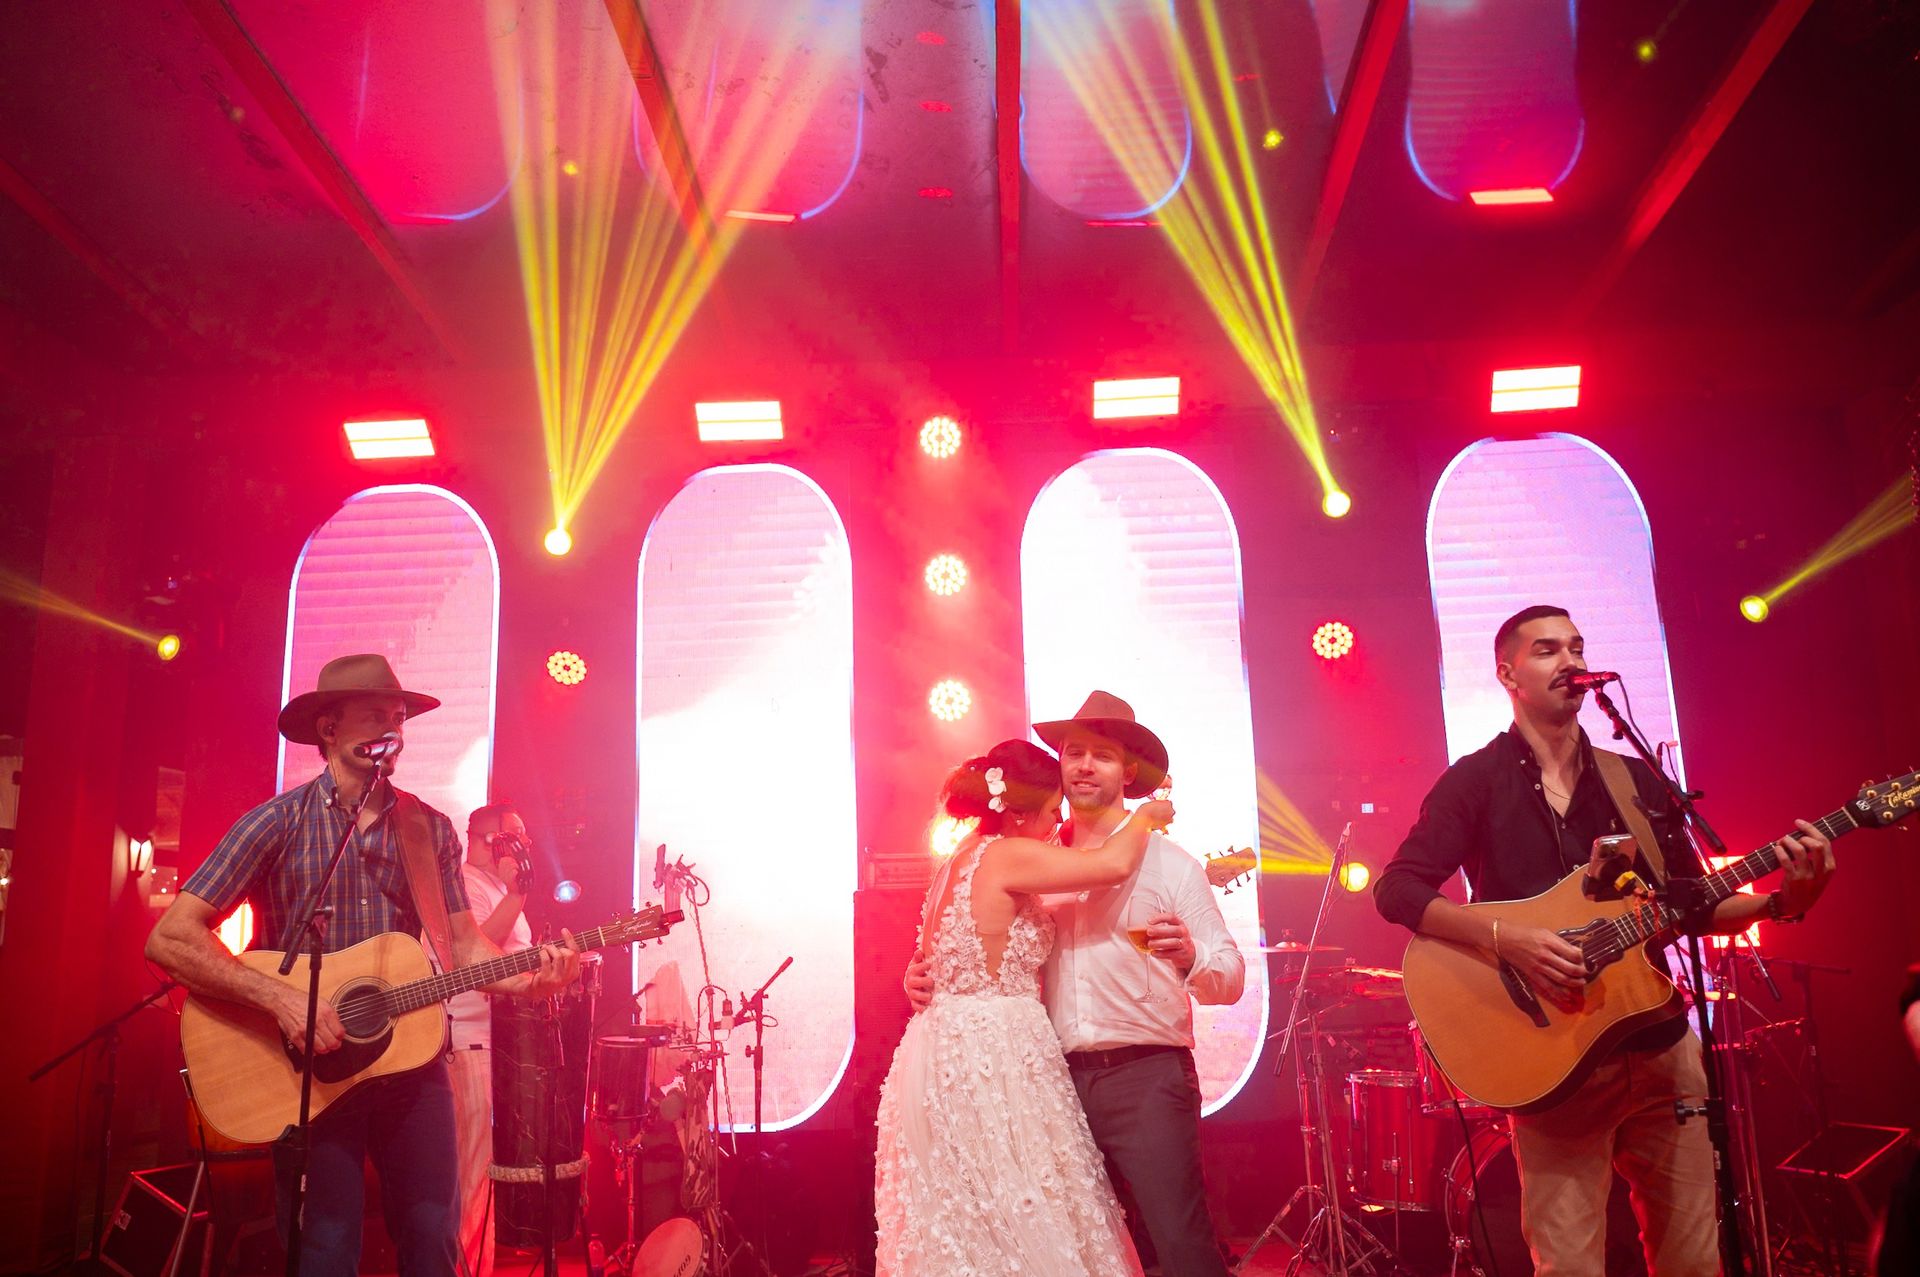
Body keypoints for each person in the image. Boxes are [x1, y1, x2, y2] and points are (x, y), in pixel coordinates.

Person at [1373, 606, 1836, 1276]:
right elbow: (1399, 889)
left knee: (1693, 1260)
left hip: (1659, 1046)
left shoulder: (1634, 778)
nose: (1569, 660)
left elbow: (1688, 901)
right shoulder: (1476, 780)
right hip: (1555, 1064)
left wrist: (1783, 900)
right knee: (1570, 1265)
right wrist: (1508, 939)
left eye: (1576, 646)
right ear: (1508, 672)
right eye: (1546, 649)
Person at [145, 654, 580, 1277]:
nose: (393, 730)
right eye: (376, 715)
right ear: (328, 729)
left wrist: (535, 978)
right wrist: (281, 1000)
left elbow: (464, 950)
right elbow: (170, 938)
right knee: (325, 1250)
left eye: (399, 718)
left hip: (413, 1065)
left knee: (434, 1240)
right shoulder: (277, 822)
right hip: (310, 1078)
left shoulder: (428, 829)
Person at [905, 692, 1245, 1277]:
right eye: (1074, 753)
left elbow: (1230, 980)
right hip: (1046, 1082)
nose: (1084, 765)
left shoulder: (1172, 866)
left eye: (1102, 756)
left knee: (1180, 1245)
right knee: (1070, 1252)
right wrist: (922, 973)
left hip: (1145, 1079)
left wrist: (1190, 956)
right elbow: (971, 938)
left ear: (1128, 773)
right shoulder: (1029, 858)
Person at [876, 737, 1171, 1277]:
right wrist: (1148, 815)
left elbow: (936, 955)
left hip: (938, 1049)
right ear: (1017, 813)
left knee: (970, 1213)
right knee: (1024, 1203)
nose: (1057, 824)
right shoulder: (1007, 852)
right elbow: (1110, 863)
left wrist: (916, 978)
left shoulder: (953, 863)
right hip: (996, 1051)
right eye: (1052, 811)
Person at [445, 801, 538, 1277]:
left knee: (484, 1174)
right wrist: (517, 897)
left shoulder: (495, 888)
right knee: (473, 1174)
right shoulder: (464, 885)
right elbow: (479, 963)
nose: (526, 844)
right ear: (490, 841)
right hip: (469, 1043)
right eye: (517, 835)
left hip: (492, 1043)